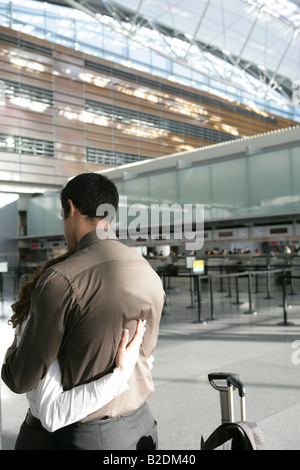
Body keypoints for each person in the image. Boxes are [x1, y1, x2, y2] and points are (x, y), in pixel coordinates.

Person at [2, 173, 165, 450]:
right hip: (140, 428)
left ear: (71, 209)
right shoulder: (148, 273)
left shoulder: (62, 278)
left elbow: (21, 378)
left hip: (76, 437)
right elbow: (144, 355)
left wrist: (11, 354)